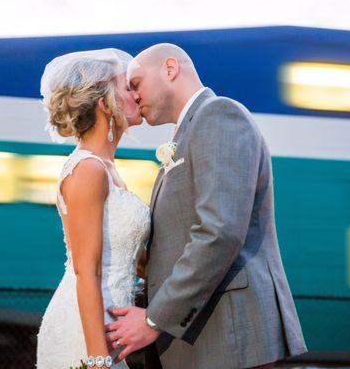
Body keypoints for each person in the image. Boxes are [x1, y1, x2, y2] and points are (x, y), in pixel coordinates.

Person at [105, 43, 308, 369]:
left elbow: (219, 231)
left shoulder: (218, 114)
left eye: (137, 83)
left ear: (170, 69)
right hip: (208, 336)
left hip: (229, 338)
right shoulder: (188, 132)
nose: (133, 95)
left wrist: (154, 319)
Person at [36, 48, 150, 369]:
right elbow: (87, 270)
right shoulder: (88, 169)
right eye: (128, 88)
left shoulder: (107, 168)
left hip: (110, 324)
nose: (137, 94)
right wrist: (97, 358)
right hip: (87, 330)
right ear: (105, 103)